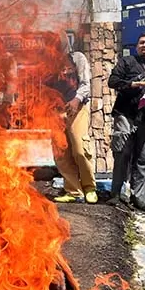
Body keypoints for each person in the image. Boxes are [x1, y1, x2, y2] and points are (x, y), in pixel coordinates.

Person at [106, 33, 145, 213]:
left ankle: (138, 198)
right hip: (125, 114)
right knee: (122, 153)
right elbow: (112, 81)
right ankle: (115, 194)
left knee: (143, 159)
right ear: (136, 46)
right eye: (141, 42)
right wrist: (139, 83)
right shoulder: (127, 62)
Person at [50, 34, 97, 205]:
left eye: (57, 43)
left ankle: (90, 187)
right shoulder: (47, 65)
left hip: (77, 109)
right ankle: (73, 191)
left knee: (79, 149)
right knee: (61, 153)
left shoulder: (77, 58)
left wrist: (76, 100)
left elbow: (85, 83)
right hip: (55, 112)